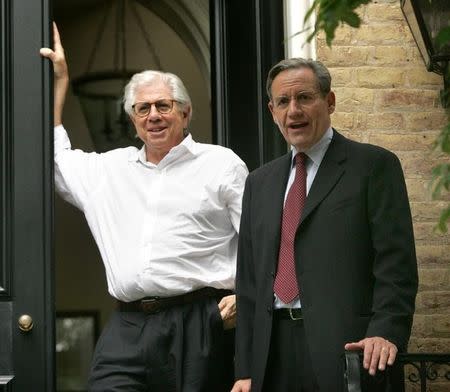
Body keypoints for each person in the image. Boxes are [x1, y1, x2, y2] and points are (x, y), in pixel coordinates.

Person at [41, 23, 248, 392]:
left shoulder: (222, 164)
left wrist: (247, 297)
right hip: (129, 325)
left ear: (185, 113)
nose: (153, 115)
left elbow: (259, 238)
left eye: (163, 105)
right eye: (143, 108)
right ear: (133, 119)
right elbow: (56, 158)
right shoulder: (108, 170)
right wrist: (60, 85)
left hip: (200, 319)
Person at [231, 58, 418, 392]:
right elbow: (248, 282)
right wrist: (245, 369)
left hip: (348, 349)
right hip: (271, 355)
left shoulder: (374, 166)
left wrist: (386, 330)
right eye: (283, 102)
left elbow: (396, 264)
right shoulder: (259, 182)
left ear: (329, 101)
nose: (294, 111)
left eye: (304, 98)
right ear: (272, 111)